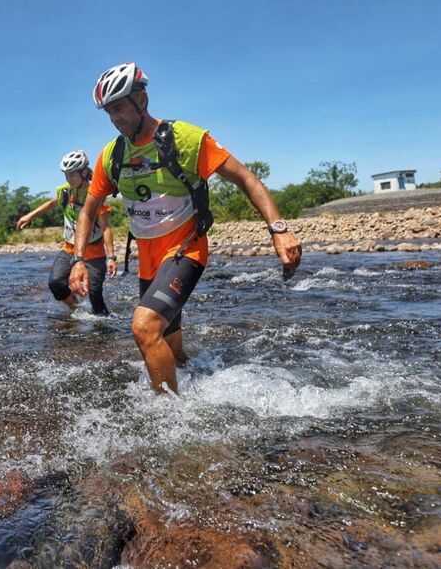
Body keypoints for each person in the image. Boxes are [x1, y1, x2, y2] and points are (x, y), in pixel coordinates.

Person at [70, 62, 302, 393]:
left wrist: (278, 229)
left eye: (119, 108)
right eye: (109, 113)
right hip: (147, 261)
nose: (114, 119)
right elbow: (88, 211)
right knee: (171, 348)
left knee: (144, 327)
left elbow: (245, 177)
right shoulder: (112, 155)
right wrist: (79, 259)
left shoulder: (186, 139)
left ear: (142, 100)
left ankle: (170, 420)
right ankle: (200, 384)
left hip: (186, 250)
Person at [16, 150, 117, 315]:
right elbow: (51, 203)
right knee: (55, 283)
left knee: (95, 296)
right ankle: (77, 312)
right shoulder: (65, 191)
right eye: (66, 175)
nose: (69, 179)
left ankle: (103, 328)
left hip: (94, 250)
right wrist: (30, 216)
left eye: (72, 175)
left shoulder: (95, 193)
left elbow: (106, 227)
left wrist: (111, 257)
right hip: (69, 247)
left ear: (84, 172)